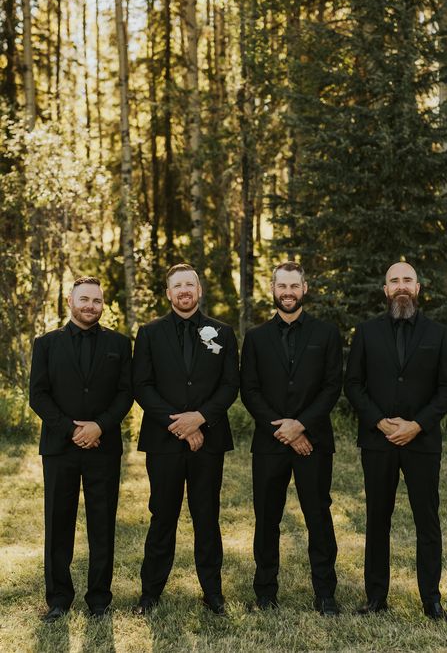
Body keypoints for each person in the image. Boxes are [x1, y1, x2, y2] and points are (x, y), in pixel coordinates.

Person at [344, 261, 447, 620]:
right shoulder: (365, 332)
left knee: (427, 519)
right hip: (378, 442)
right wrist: (379, 422)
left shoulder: (439, 334)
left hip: (422, 442)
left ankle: (431, 600)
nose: (401, 286)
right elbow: (353, 385)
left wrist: (417, 425)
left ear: (418, 288)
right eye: (394, 281)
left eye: (407, 279)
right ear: (385, 290)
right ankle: (376, 597)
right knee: (378, 518)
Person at [132, 263, 239, 616]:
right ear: (168, 293)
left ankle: (212, 593)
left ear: (199, 290)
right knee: (162, 515)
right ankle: (150, 593)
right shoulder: (149, 333)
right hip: (163, 442)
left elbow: (229, 385)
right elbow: (142, 386)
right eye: (177, 285)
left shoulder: (221, 333)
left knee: (206, 516)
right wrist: (178, 424)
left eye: (189, 285)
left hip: (209, 440)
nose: (184, 291)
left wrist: (201, 419)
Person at [240, 262, 342, 615]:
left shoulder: (327, 334)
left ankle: (325, 593)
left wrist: (302, 426)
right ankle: (265, 592)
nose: (287, 292)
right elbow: (249, 390)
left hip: (313, 442)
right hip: (270, 444)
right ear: (272, 289)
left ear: (305, 287)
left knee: (318, 516)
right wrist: (281, 429)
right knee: (267, 518)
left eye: (293, 286)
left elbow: (332, 387)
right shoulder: (255, 337)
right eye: (281, 286)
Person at [29, 276, 133, 623]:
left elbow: (125, 393)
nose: (90, 306)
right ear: (69, 301)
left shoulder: (119, 343)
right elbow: (38, 395)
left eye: (97, 301)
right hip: (60, 447)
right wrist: (72, 430)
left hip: (104, 447)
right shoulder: (46, 344)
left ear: (103, 305)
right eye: (84, 299)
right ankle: (59, 598)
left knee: (102, 525)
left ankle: (99, 600)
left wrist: (99, 425)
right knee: (59, 524)